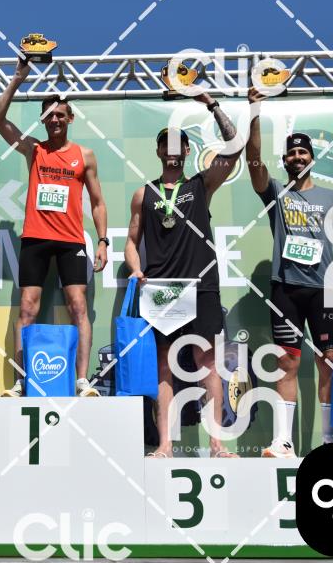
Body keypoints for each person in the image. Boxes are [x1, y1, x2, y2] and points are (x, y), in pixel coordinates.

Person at [124, 93, 242, 458]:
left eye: (178, 144)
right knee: (164, 364)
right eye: (166, 144)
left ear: (188, 151)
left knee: (207, 362)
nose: (172, 149)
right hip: (162, 288)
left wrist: (211, 104)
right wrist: (136, 269)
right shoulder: (143, 193)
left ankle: (217, 443)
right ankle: (165, 444)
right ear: (159, 151)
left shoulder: (201, 185)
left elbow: (235, 146)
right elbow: (131, 241)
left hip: (201, 284)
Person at [246, 87, 333, 458]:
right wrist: (255, 110)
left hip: (325, 289)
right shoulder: (276, 192)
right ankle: (283, 441)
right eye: (292, 153)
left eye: (303, 153)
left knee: (328, 362)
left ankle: (328, 437)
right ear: (285, 160)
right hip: (285, 289)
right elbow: (253, 160)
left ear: (312, 158)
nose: (297, 157)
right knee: (287, 361)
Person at [0, 58, 108, 397]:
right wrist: (17, 79)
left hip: (71, 240)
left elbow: (98, 202)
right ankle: (22, 381)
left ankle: (82, 382)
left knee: (78, 306)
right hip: (36, 238)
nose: (54, 120)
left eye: (60, 115)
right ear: (42, 120)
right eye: (48, 116)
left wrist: (102, 241)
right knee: (27, 307)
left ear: (70, 118)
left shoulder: (85, 155)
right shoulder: (33, 149)